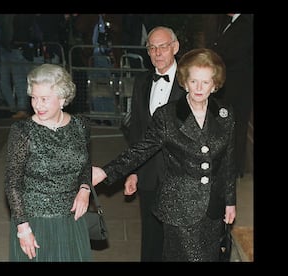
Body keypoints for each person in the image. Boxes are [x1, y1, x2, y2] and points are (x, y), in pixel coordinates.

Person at [93, 48, 237, 262]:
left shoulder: (224, 114)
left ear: (214, 85)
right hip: (179, 208)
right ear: (184, 82)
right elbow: (141, 149)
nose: (199, 87)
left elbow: (228, 161)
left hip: (212, 209)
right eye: (194, 81)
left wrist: (230, 201)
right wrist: (107, 172)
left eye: (205, 82)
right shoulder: (167, 116)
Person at [4, 63, 92, 262]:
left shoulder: (80, 126)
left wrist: (85, 189)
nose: (38, 105)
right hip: (35, 222)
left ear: (62, 99)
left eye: (44, 99)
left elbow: (85, 164)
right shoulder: (23, 132)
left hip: (71, 220)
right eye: (34, 98)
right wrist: (23, 228)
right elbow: (12, 183)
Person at [123, 26, 185, 261]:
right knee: (150, 238)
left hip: (180, 176)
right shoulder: (141, 82)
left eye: (163, 47)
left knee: (178, 240)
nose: (157, 53)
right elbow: (137, 130)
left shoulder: (190, 82)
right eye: (152, 48)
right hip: (149, 174)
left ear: (175, 48)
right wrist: (133, 172)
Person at [209, 14, 253, 178]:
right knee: (225, 124)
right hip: (227, 84)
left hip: (239, 85)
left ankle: (235, 168)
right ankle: (226, 165)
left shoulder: (247, 23)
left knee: (237, 126)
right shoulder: (227, 22)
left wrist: (213, 57)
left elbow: (238, 53)